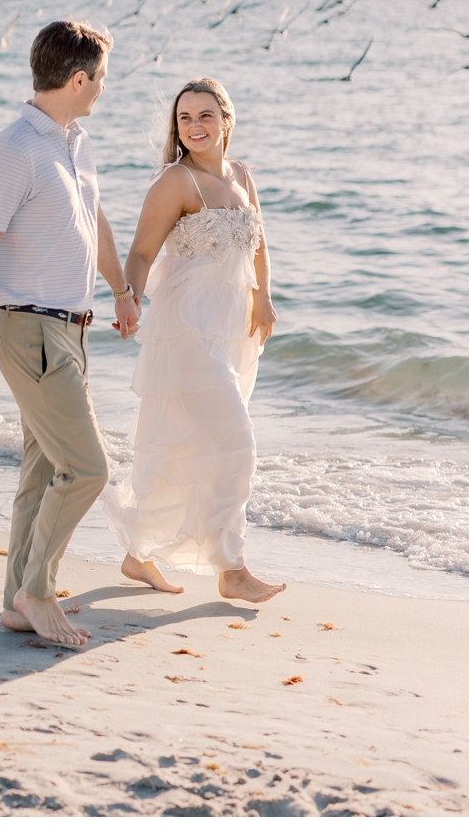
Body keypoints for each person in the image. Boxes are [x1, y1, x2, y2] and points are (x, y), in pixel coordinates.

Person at [0, 20, 139, 647]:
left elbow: (92, 217)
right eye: (101, 78)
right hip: (31, 331)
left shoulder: (75, 143)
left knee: (44, 472)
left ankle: (17, 599)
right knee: (88, 470)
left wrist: (121, 291)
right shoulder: (16, 148)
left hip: (68, 330)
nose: (104, 88)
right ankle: (39, 591)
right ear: (79, 79)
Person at [100, 77, 285, 603]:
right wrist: (128, 296)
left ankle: (138, 556)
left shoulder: (242, 175)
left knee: (183, 445)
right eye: (185, 118)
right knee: (237, 441)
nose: (195, 127)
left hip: (230, 328)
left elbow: (258, 244)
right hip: (185, 328)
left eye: (205, 116)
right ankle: (232, 568)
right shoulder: (175, 182)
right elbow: (139, 252)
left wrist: (262, 296)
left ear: (226, 120)